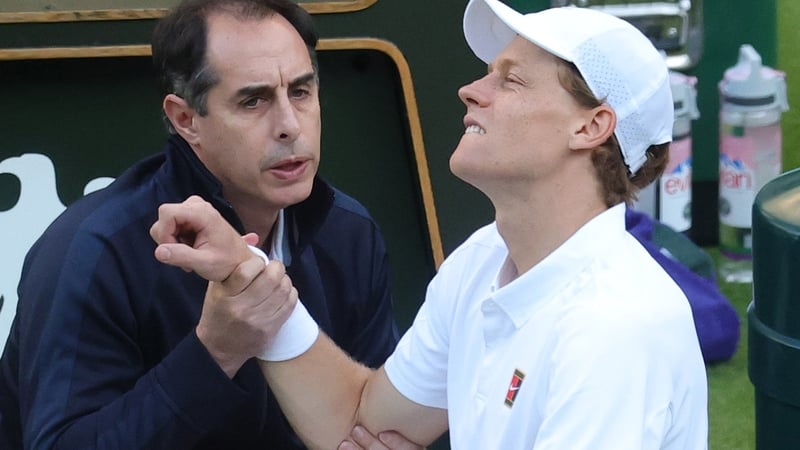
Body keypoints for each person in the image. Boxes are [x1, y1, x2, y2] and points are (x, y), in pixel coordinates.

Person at [151, 0, 709, 449]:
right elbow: (358, 421)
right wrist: (250, 276)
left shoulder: (618, 328)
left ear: (590, 126)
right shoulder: (483, 258)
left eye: (510, 81)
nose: (471, 91)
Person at [0, 0, 416, 448]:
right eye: (253, 100)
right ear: (186, 120)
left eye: (301, 92)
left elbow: (379, 428)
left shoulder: (349, 233)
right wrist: (215, 352)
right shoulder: (93, 249)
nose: (290, 126)